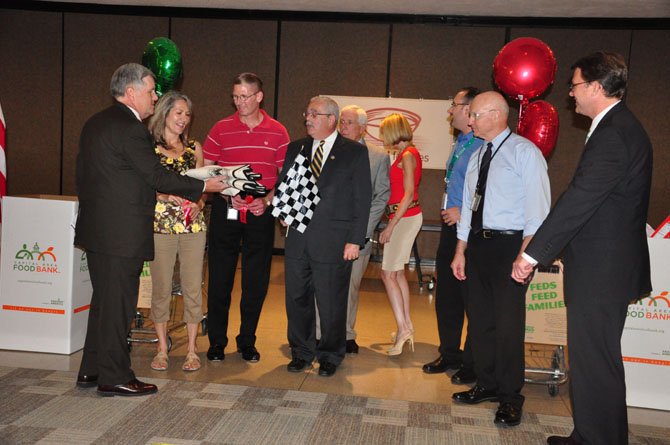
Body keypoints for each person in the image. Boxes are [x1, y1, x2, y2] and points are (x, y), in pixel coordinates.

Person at [512, 52, 653, 445]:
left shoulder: (615, 133)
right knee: (593, 361)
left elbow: (580, 200)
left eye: (574, 86)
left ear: (595, 86)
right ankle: (590, 435)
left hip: (602, 271)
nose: (570, 95)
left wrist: (532, 253)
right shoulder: (617, 127)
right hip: (602, 268)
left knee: (596, 361)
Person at [74, 63, 227, 396]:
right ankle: (114, 376)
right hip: (120, 233)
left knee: (104, 303)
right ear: (131, 92)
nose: (155, 97)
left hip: (98, 229)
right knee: (118, 306)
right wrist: (204, 187)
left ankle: (91, 369)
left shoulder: (95, 122)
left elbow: (94, 177)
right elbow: (156, 176)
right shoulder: (130, 128)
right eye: (150, 91)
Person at [450, 91, 550, 426]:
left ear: (496, 114)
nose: (470, 120)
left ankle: (510, 397)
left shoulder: (525, 153)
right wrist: (461, 250)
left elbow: (538, 212)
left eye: (475, 114)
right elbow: (467, 207)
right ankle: (488, 383)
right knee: (480, 322)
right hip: (478, 246)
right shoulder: (478, 154)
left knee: (508, 327)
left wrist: (525, 256)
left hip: (511, 248)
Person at [280, 96, 371, 377]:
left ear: (331, 119)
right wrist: (283, 209)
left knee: (331, 301)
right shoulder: (296, 148)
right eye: (306, 113)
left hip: (334, 240)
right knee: (296, 298)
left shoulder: (353, 152)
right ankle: (301, 352)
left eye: (314, 114)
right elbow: (285, 185)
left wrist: (355, 240)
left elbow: (362, 198)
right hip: (298, 237)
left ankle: (331, 354)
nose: (307, 118)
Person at [203, 73, 289, 363]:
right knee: (219, 278)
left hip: (260, 212)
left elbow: (286, 177)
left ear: (259, 97)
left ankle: (247, 341)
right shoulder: (221, 128)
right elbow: (207, 169)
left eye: (245, 97)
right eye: (236, 97)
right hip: (226, 207)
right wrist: (227, 192)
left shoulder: (278, 131)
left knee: (256, 280)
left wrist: (266, 201)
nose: (239, 102)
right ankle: (216, 342)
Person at [315, 105, 390, 354]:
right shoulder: (326, 150)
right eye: (341, 122)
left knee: (350, 287)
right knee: (321, 284)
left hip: (358, 234)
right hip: (326, 232)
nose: (343, 127)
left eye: (348, 122)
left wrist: (362, 231)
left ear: (362, 127)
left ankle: (346, 334)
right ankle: (319, 333)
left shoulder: (377, 156)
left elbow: (381, 196)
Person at [423, 87, 482, 384]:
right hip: (450, 227)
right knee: (446, 295)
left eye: (454, 105)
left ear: (470, 110)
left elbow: (488, 189)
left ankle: (471, 362)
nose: (450, 111)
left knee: (470, 296)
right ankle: (449, 353)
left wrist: (465, 210)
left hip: (471, 230)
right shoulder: (460, 142)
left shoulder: (483, 144)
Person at [146, 91, 207, 373]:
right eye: (178, 113)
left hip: (193, 226)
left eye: (187, 114)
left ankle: (192, 350)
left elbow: (203, 187)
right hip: (161, 226)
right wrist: (162, 196)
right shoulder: (149, 147)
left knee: (193, 287)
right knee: (161, 288)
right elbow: (142, 186)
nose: (184, 119)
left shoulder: (195, 148)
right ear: (165, 113)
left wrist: (199, 202)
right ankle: (161, 349)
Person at [378, 113, 423, 356]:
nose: (382, 137)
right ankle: (406, 326)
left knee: (387, 274)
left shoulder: (407, 156)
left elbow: (408, 193)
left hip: (404, 218)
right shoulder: (408, 154)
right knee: (397, 274)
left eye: (384, 132)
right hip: (405, 217)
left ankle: (404, 328)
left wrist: (391, 225)